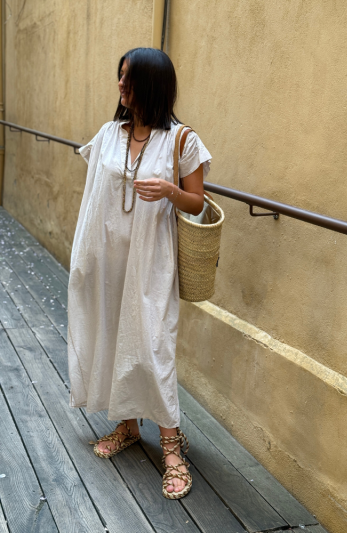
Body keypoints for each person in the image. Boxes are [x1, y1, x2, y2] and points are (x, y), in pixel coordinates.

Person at [67, 47, 212, 500]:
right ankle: (128, 425)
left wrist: (170, 190)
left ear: (152, 84)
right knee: (114, 336)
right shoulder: (109, 134)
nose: (120, 84)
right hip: (107, 259)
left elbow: (197, 202)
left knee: (152, 345)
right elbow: (96, 195)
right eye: (120, 75)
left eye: (129, 78)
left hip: (151, 260)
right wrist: (85, 257)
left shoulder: (181, 140)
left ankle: (171, 446)